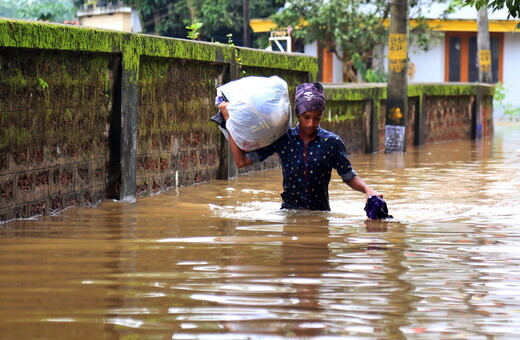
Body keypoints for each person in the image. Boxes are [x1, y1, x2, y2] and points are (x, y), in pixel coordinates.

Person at [218, 82, 382, 211]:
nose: (311, 123)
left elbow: (348, 176)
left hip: (321, 215)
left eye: (317, 118)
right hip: (289, 213)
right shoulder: (283, 139)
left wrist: (368, 190)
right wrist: (229, 121)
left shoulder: (332, 143)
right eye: (306, 117)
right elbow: (242, 162)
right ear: (297, 113)